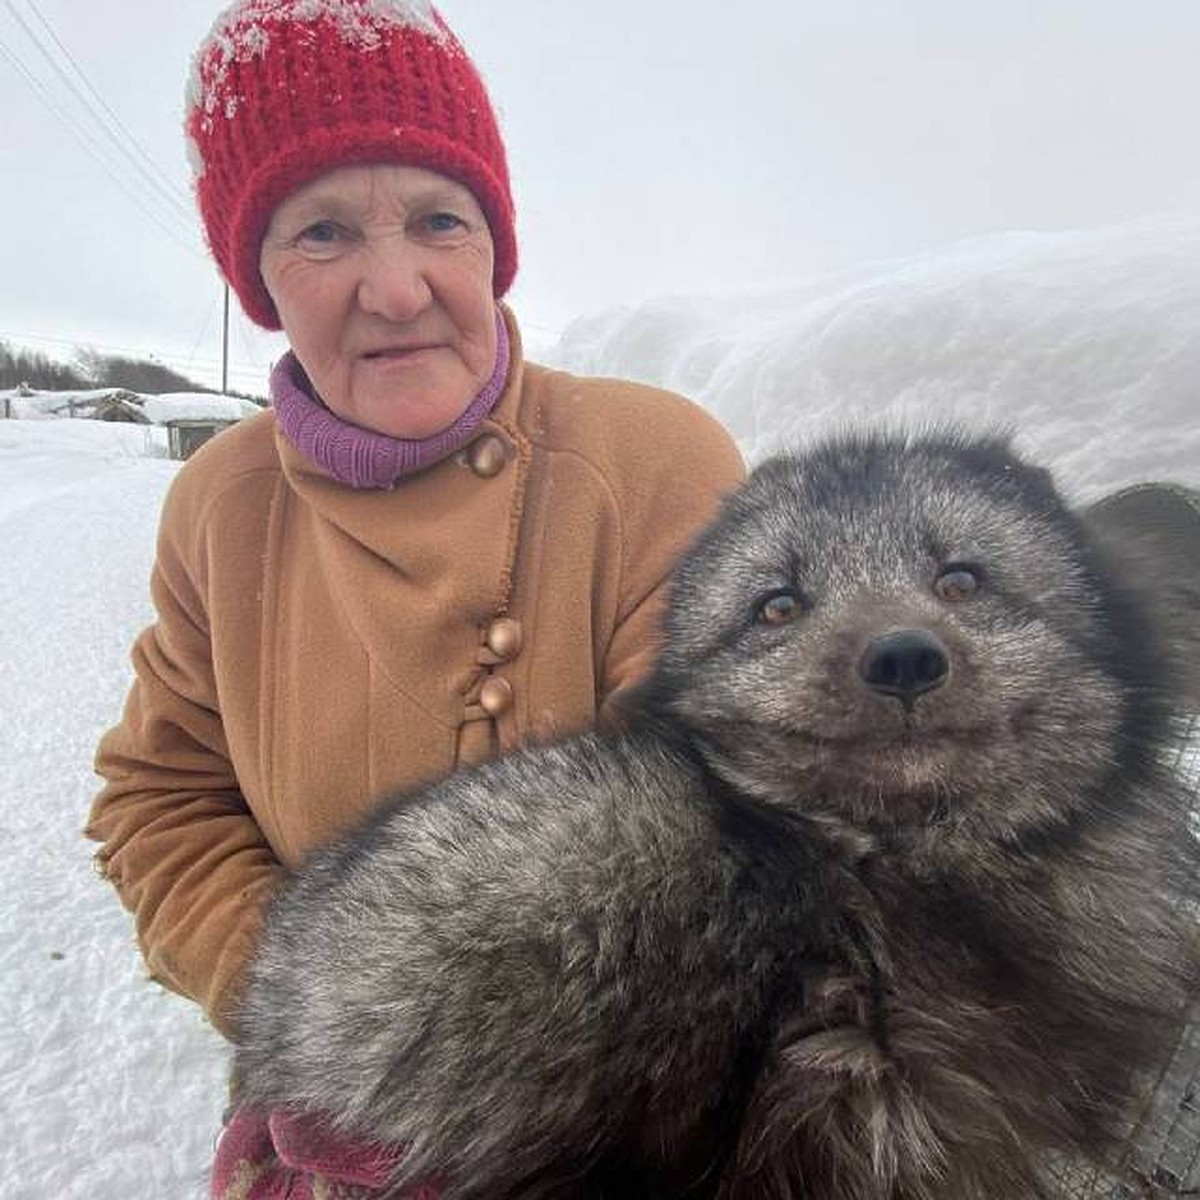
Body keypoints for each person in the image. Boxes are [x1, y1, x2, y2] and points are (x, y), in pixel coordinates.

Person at [86, 0, 743, 1192]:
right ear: (259, 282)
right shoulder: (220, 507)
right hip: (319, 1105)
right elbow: (159, 794)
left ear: (495, 242)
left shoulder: (654, 464)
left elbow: (741, 847)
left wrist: (458, 1063)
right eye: (323, 232)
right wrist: (305, 1001)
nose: (395, 290)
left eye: (439, 219)